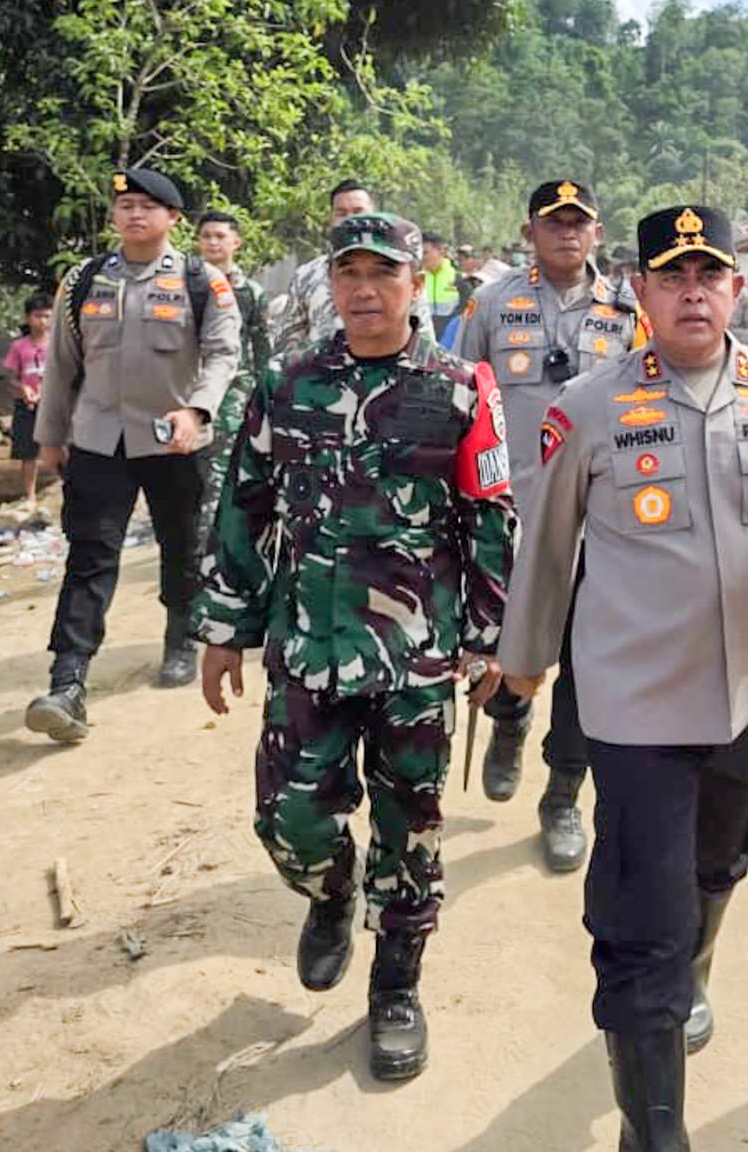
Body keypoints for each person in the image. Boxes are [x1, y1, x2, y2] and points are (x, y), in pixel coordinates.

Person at [498, 204, 748, 1150]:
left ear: (736, 287)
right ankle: (655, 1129)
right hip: (634, 705)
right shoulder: (589, 406)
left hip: (747, 695)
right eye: (672, 277)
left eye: (709, 275)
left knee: (720, 863)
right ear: (639, 292)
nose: (692, 292)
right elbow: (547, 552)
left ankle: (695, 967)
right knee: (641, 926)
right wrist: (522, 667)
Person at [194, 211, 516, 1081]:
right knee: (289, 823)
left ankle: (397, 988)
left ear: (417, 282)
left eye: (384, 273)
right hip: (306, 648)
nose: (365, 290)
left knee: (410, 832)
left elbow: (490, 517)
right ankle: (330, 894)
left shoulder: (459, 387)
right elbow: (243, 507)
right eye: (349, 274)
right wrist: (226, 629)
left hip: (415, 659)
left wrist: (487, 639)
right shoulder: (284, 382)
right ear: (330, 286)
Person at [455, 178, 644, 872]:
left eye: (579, 222)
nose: (567, 233)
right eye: (553, 222)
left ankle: (563, 793)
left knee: (590, 663)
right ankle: (508, 722)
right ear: (530, 231)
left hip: (604, 518)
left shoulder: (628, 308)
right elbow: (463, 389)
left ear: (597, 232)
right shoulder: (494, 302)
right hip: (514, 511)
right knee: (512, 641)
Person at [24, 168, 241, 743]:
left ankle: (178, 635)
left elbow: (222, 355)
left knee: (180, 543)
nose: (134, 215)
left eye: (148, 206)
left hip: (174, 439)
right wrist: (49, 435)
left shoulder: (203, 281)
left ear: (173, 218)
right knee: (91, 554)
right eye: (125, 206)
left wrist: (199, 412)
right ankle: (68, 680)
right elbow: (62, 364)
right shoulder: (84, 279)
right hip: (99, 440)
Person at [195, 210, 271, 539]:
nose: (213, 242)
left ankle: (213, 540)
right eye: (206, 236)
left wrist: (264, 392)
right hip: (190, 389)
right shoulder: (187, 283)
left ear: (235, 242)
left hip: (235, 391)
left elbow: (263, 345)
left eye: (220, 236)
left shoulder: (250, 292)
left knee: (223, 464)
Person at [269, 179, 375, 355]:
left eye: (358, 211)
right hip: (323, 378)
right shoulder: (307, 275)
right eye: (341, 213)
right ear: (331, 218)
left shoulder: (398, 273)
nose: (350, 220)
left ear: (374, 215)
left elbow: (421, 340)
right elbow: (287, 343)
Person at [1, 292, 53, 506]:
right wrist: (22, 388)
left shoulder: (59, 344)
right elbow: (10, 378)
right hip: (27, 404)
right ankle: (30, 494)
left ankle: (62, 487)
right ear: (27, 318)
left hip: (53, 404)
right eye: (38, 316)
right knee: (27, 451)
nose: (43, 321)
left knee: (59, 445)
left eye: (48, 316)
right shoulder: (19, 346)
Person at [421, 232, 462, 331]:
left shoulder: (457, 277)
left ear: (441, 252)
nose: (422, 257)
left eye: (425, 253)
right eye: (420, 253)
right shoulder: (417, 279)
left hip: (450, 336)